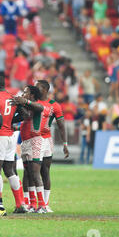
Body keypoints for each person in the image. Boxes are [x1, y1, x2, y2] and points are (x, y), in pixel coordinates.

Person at [0, 75, 25, 214]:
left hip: (0, 135)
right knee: (10, 170)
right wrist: (10, 122)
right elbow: (22, 115)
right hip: (11, 136)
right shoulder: (13, 97)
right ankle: (20, 203)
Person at [11, 85, 49, 213]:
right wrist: (18, 105)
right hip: (26, 141)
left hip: (35, 140)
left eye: (26, 92)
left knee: (35, 173)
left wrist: (23, 102)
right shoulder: (28, 106)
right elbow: (23, 118)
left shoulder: (37, 104)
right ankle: (32, 204)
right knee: (28, 173)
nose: (23, 93)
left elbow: (37, 110)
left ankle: (42, 205)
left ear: (32, 95)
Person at [35, 80, 69, 213]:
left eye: (38, 86)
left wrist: (65, 144)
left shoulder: (54, 105)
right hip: (33, 139)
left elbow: (61, 125)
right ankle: (36, 204)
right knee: (33, 172)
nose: (35, 88)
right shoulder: (32, 102)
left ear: (45, 89)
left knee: (45, 172)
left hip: (47, 140)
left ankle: (46, 204)